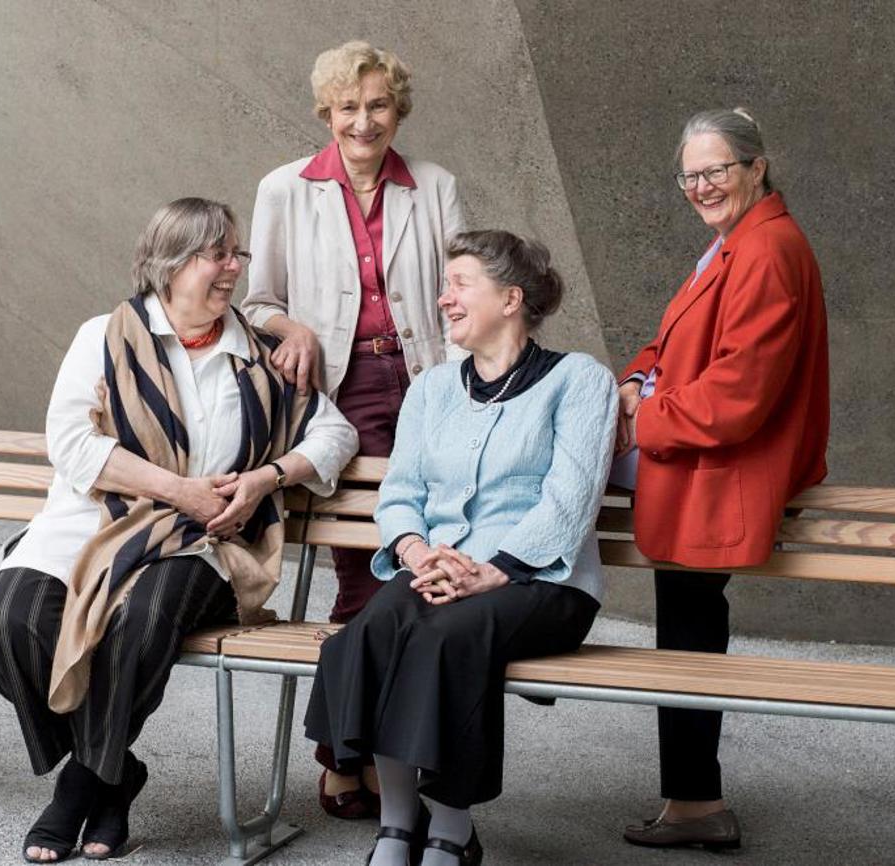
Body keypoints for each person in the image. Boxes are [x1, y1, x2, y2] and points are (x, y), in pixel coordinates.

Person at [0, 198, 358, 863]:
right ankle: (117, 773)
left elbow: (335, 431)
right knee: (7, 625)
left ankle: (80, 788)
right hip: (89, 523)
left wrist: (267, 479)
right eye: (218, 255)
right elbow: (69, 442)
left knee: (143, 621)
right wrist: (179, 490)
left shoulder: (259, 351)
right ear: (171, 265)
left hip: (203, 540)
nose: (234, 268)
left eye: (238, 253)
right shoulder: (105, 335)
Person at [305, 230, 618, 866]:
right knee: (372, 629)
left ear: (510, 298)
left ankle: (450, 830)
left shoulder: (579, 380)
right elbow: (399, 493)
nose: (444, 299)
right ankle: (396, 827)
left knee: (442, 638)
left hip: (542, 583)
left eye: (459, 285)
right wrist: (418, 553)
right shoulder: (433, 389)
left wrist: (493, 571)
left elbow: (570, 499)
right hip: (438, 573)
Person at [243, 38, 465, 819]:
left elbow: (463, 297)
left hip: (431, 389)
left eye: (377, 105)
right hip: (342, 395)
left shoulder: (433, 186)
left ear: (397, 109)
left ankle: (388, 751)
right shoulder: (285, 189)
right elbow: (256, 300)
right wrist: (290, 327)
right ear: (325, 114)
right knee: (364, 573)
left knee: (427, 569)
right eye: (348, 108)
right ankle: (347, 751)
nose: (363, 122)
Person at [614, 109, 829, 850]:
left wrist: (640, 419)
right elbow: (666, 341)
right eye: (691, 174)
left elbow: (737, 396)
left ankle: (538, 617)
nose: (701, 185)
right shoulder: (732, 245)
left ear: (756, 167)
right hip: (695, 459)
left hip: (719, 469)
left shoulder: (767, 251)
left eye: (716, 170)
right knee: (689, 625)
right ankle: (696, 802)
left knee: (561, 462)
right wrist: (639, 377)